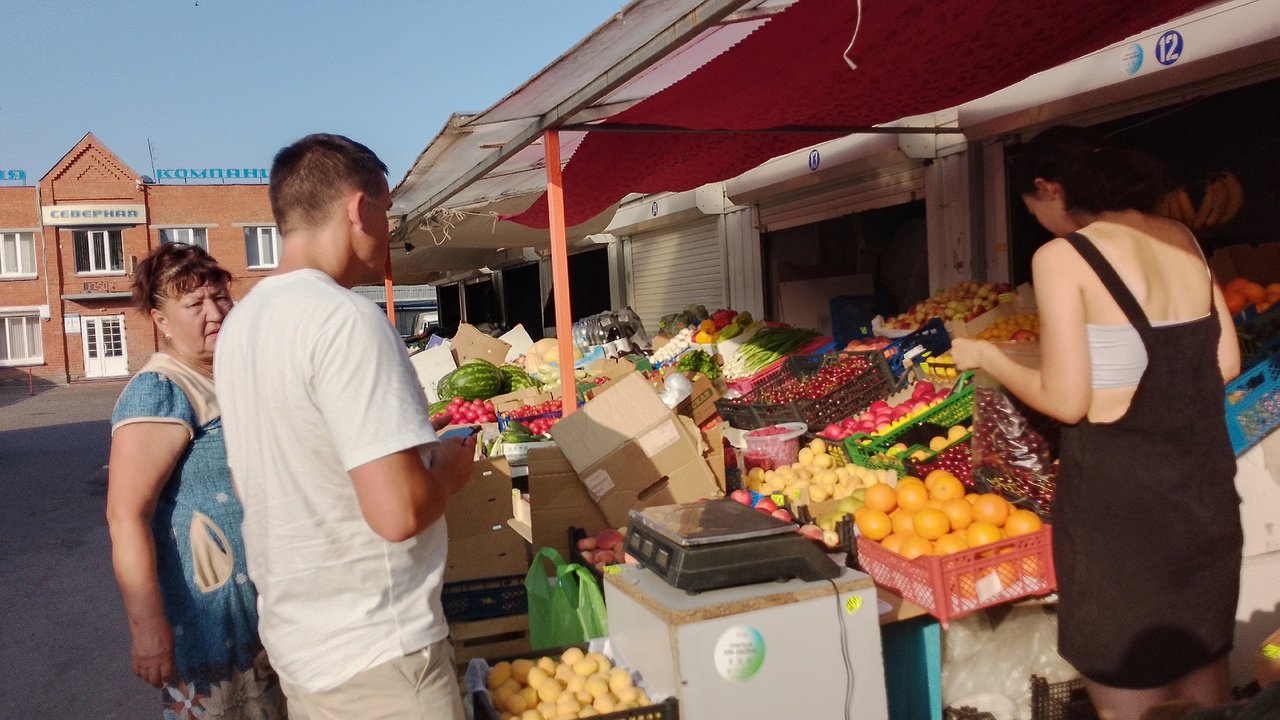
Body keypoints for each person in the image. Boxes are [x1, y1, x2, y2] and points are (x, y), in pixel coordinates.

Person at [951, 126, 1243, 720]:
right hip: (1203, 508)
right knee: (1205, 694)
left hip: (1121, 524)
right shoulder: (1182, 237)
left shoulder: (1063, 257)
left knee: (1128, 704)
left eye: (1034, 207)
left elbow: (1066, 401)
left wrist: (987, 356)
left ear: (1048, 187)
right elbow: (1226, 362)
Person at [214, 134, 476, 719]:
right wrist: (452, 472)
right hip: (380, 655)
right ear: (360, 208)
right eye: (387, 213)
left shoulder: (242, 326)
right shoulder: (346, 321)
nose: (388, 233)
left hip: (302, 647)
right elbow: (397, 512)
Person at [106, 242, 286, 719]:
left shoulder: (227, 374)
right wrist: (147, 628)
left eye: (221, 297)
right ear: (160, 320)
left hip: (264, 612)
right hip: (213, 623)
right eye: (194, 305)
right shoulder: (161, 390)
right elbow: (126, 515)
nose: (215, 313)